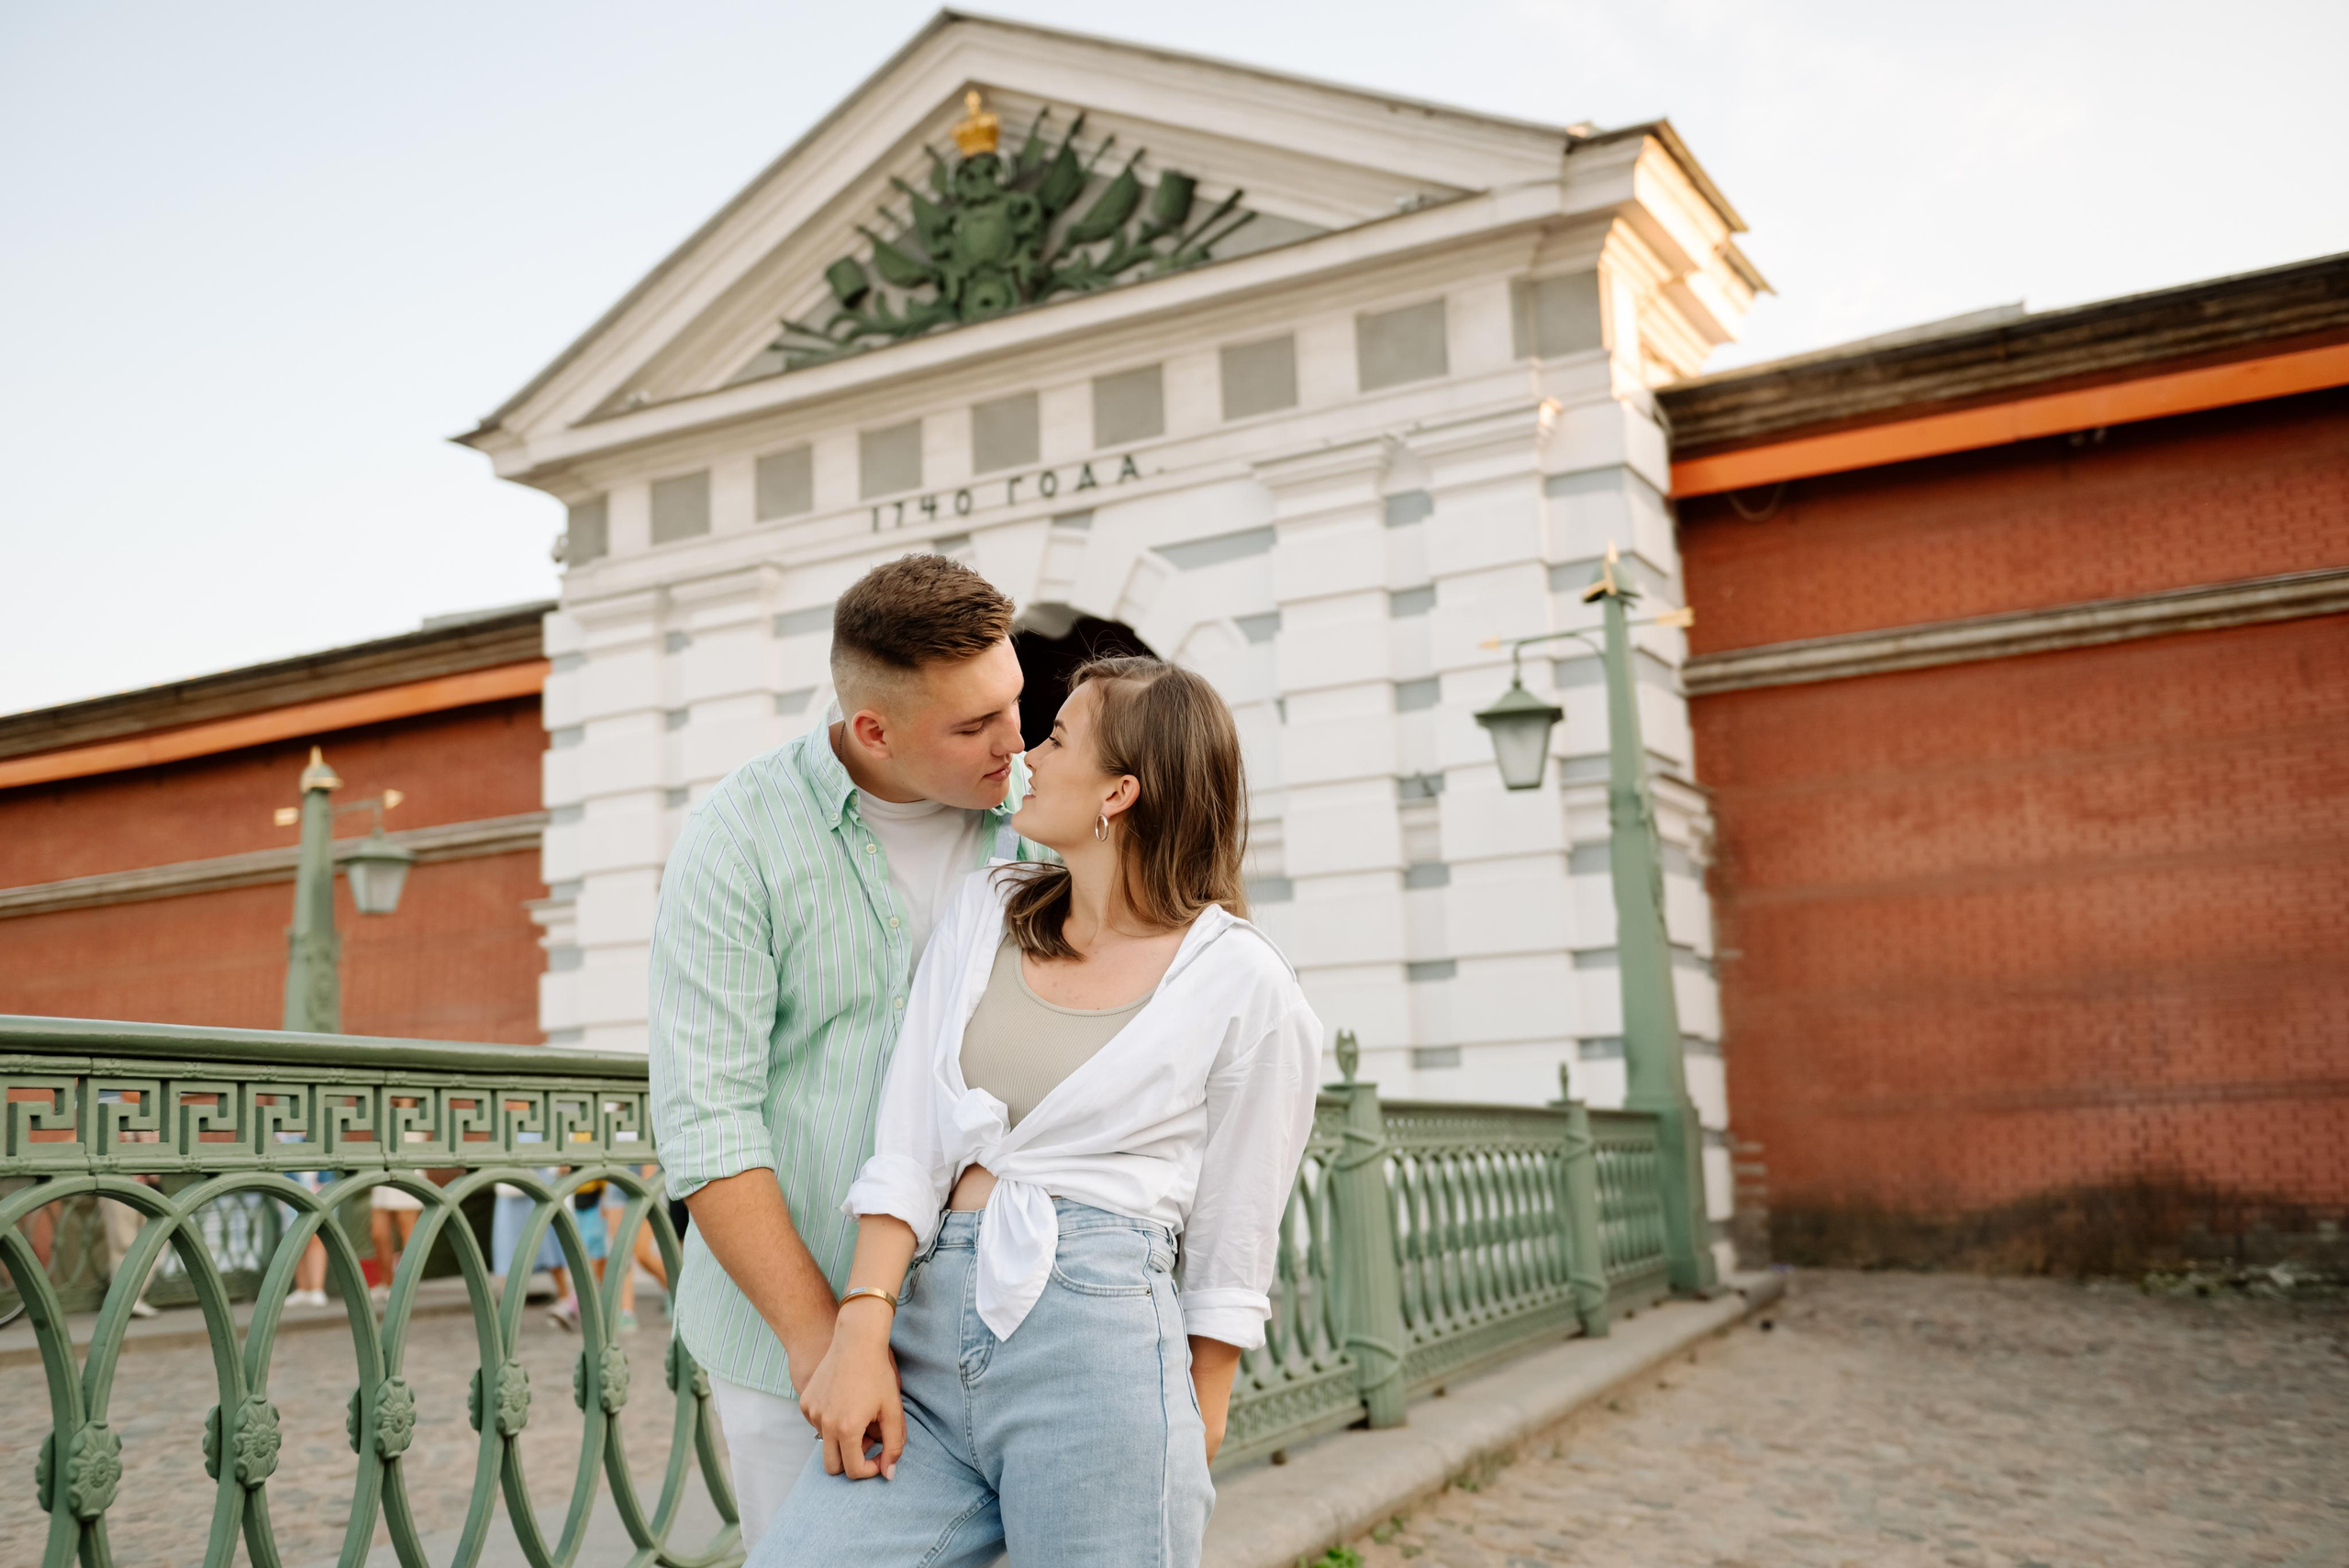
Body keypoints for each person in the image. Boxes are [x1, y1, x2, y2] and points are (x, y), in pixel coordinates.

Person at [758, 655, 1321, 1568]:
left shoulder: (1243, 980)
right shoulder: (988, 911)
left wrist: (1196, 1417)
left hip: (1101, 1358)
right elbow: (909, 1141)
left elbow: (1237, 1233)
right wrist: (862, 1329)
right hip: (928, 1361)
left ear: (1120, 792)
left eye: (1057, 738)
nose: (1026, 751)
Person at [649, 555, 1033, 1547]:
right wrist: (826, 1344)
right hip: (797, 1329)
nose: (1014, 741)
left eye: (1014, 702)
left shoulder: (1049, 816)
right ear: (874, 729)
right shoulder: (737, 836)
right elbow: (706, 1115)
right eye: (974, 724)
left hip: (1018, 1321)